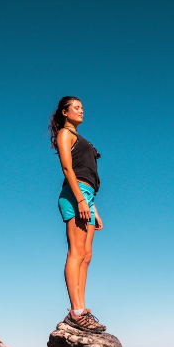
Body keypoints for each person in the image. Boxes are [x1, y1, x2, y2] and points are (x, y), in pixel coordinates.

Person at [49, 96, 106, 333]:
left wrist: (93, 208)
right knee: (76, 252)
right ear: (64, 112)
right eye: (76, 107)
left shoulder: (82, 138)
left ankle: (83, 308)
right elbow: (67, 168)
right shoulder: (65, 133)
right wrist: (81, 199)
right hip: (76, 193)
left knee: (87, 255)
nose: (81, 110)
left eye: (83, 107)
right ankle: (76, 312)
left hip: (87, 196)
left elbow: (89, 174)